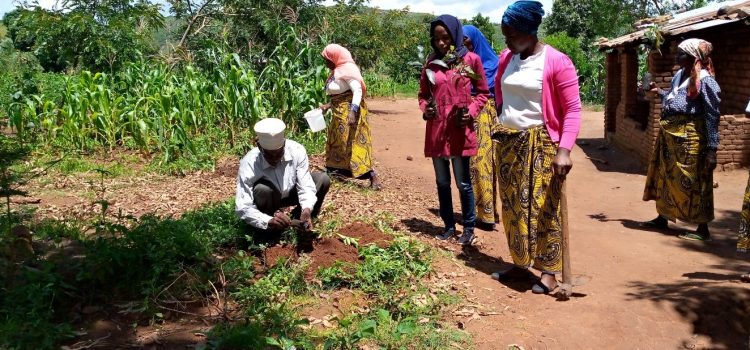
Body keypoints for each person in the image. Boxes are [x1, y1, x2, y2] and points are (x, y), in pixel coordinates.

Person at [490, 1, 582, 294]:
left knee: (545, 208)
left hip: (541, 144)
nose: (507, 40)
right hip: (508, 143)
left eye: (512, 34)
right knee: (513, 208)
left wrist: (564, 151)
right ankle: (520, 264)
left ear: (530, 31)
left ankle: (549, 271)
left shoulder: (557, 61)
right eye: (505, 34)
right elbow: (499, 95)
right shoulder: (507, 58)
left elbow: (573, 110)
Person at [418, 15, 490, 245]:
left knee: (463, 182)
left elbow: (482, 93)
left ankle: (468, 228)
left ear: (455, 36)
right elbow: (423, 95)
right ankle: (448, 226)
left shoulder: (470, 62)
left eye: (446, 38)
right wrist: (426, 109)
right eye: (436, 39)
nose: (441, 43)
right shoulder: (430, 65)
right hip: (438, 131)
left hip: (459, 130)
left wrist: (471, 109)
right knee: (442, 181)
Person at [642, 38, 721, 242]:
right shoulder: (680, 76)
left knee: (695, 180)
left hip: (690, 140)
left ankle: (702, 228)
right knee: (665, 176)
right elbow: (673, 98)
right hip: (670, 139)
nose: (677, 57)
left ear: (693, 57)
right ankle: (663, 216)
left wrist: (712, 149)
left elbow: (712, 115)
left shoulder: (705, 81)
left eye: (681, 54)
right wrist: (658, 91)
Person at [235, 118, 331, 233]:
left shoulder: (297, 150)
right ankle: (272, 228)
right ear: (260, 148)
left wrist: (306, 209)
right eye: (270, 155)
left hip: (291, 193)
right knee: (262, 190)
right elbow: (243, 206)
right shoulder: (249, 162)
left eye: (279, 153)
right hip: (267, 199)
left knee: (322, 179)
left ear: (284, 145)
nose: (275, 158)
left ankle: (302, 220)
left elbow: (305, 185)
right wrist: (268, 220)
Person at [319, 44, 382, 190]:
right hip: (339, 113)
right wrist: (327, 106)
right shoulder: (337, 71)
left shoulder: (348, 69)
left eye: (327, 59)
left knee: (352, 145)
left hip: (348, 114)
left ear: (335, 57)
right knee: (339, 143)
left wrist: (353, 112)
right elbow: (340, 94)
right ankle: (335, 171)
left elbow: (357, 90)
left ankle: (371, 175)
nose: (325, 62)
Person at [463, 25, 501, 230]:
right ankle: (478, 212)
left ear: (475, 40)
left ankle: (487, 213)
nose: (464, 44)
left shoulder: (491, 63)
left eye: (467, 40)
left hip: (484, 115)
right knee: (469, 166)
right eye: (461, 40)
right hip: (466, 116)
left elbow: (483, 86)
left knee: (482, 164)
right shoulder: (463, 62)